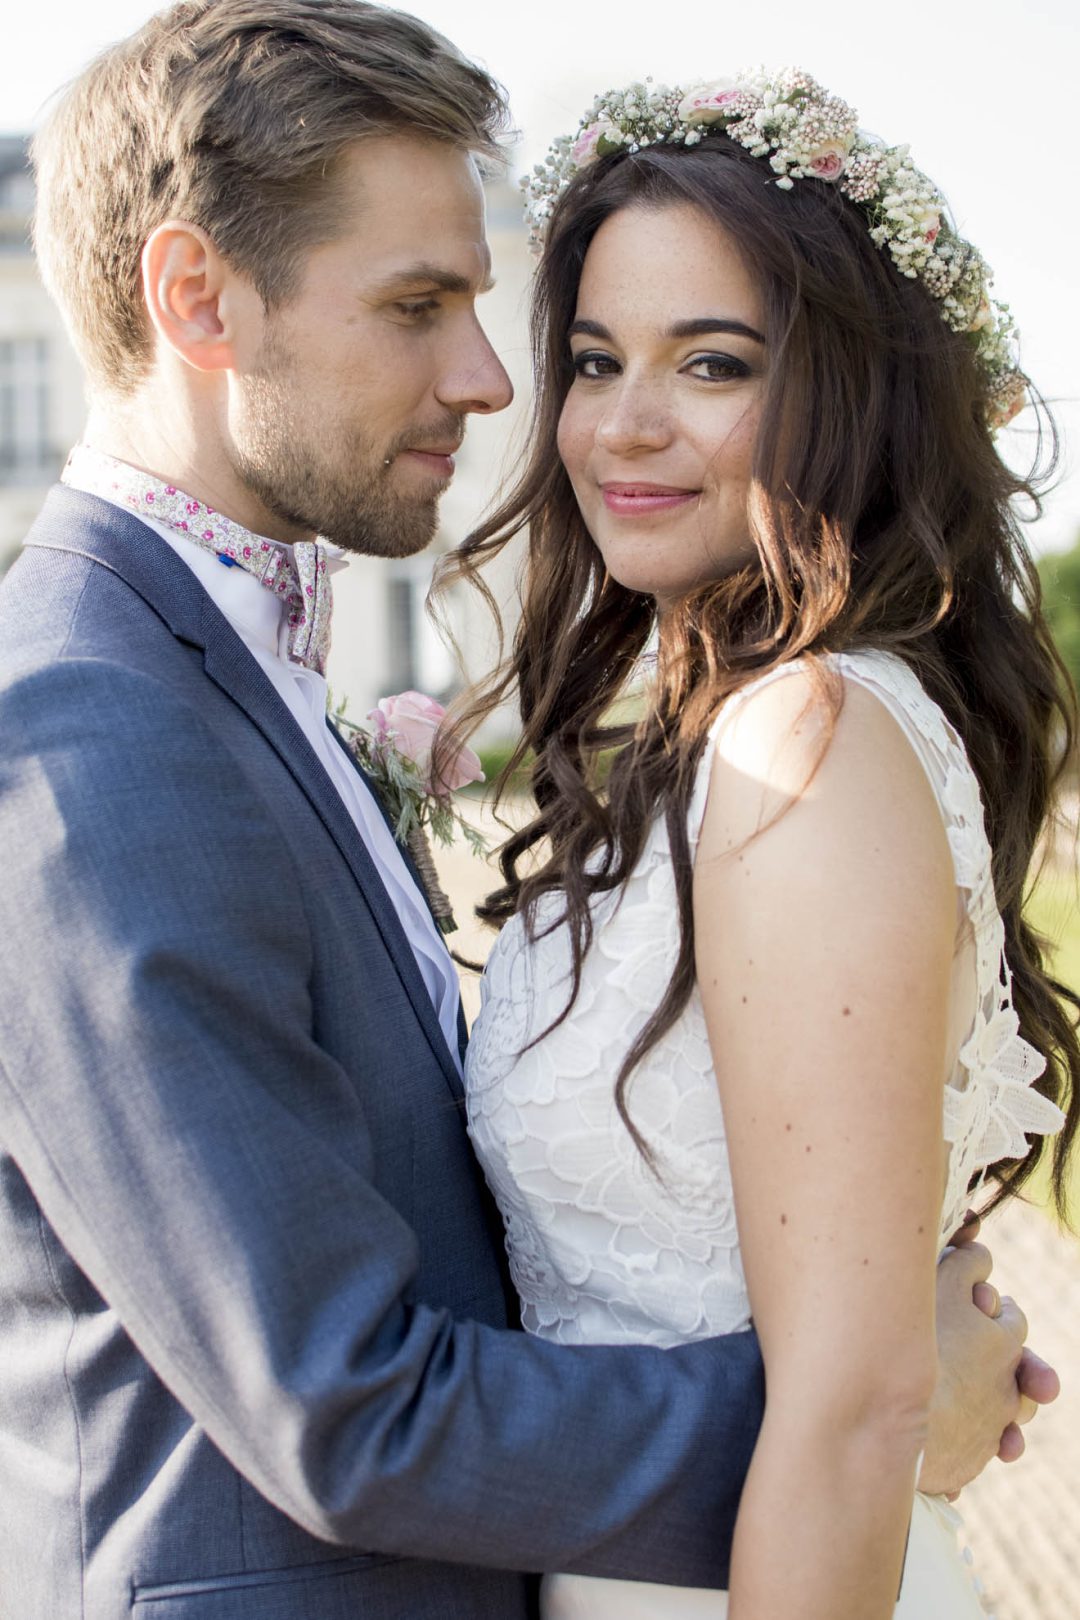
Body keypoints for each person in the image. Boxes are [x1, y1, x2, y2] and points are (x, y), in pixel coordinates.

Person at [0, 12, 1052, 1615]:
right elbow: (338, 1406)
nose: (496, 389)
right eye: (423, 308)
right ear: (196, 298)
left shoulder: (791, 740)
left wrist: (867, 1403)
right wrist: (873, 1404)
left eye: (712, 360)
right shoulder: (89, 732)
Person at [453, 69, 1080, 1619]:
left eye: (713, 363)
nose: (624, 424)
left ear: (849, 394)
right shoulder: (714, 745)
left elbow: (862, 1406)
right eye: (595, 362)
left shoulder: (806, 738)